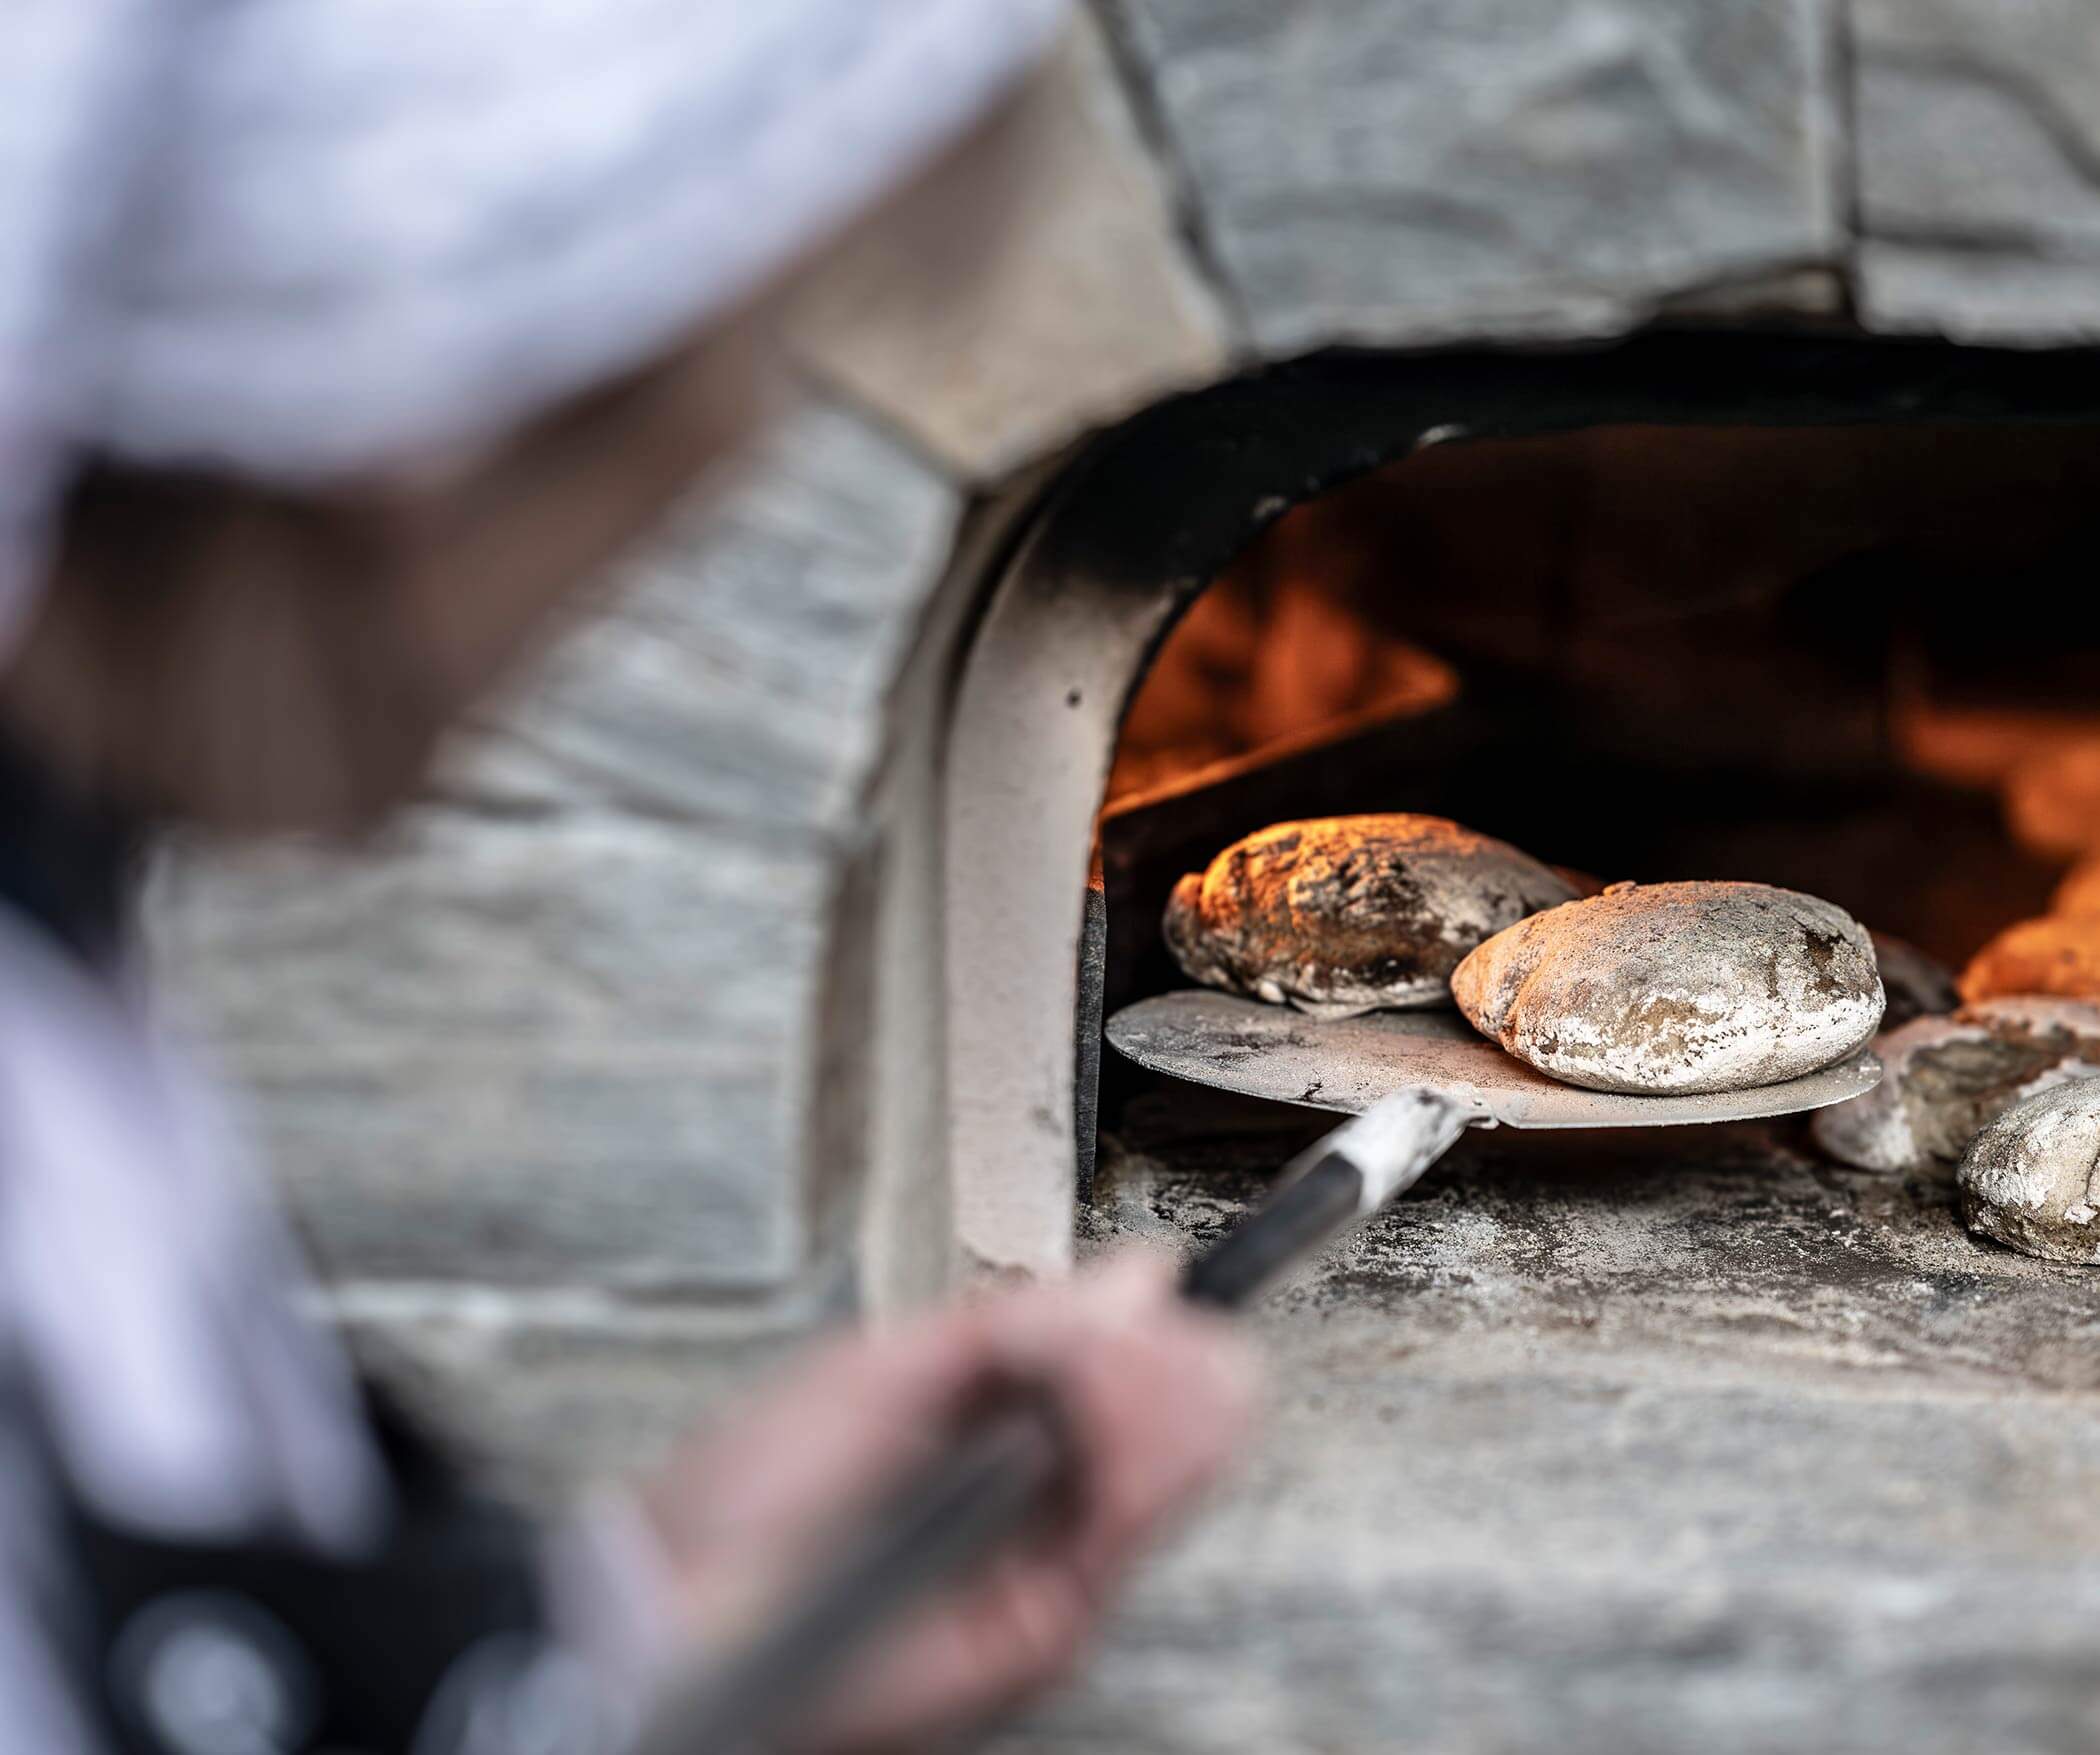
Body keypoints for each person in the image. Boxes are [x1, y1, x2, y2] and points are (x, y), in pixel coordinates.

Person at [0, 4, 1257, 1750]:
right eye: (707, 396)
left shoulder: (57, 974)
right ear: (414, 412)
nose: (699, 501)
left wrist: (648, 1623)